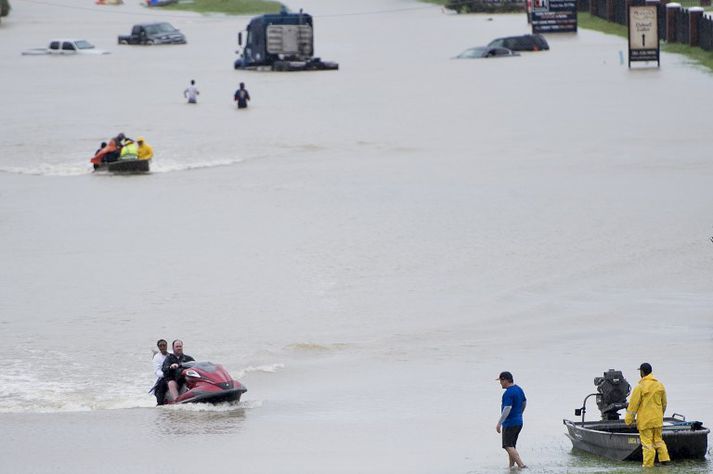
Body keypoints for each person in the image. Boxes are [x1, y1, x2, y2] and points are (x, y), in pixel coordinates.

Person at [625, 363, 670, 468]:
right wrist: (660, 415)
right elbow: (664, 403)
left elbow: (632, 407)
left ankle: (648, 465)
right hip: (657, 420)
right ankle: (664, 460)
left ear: (642, 372)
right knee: (658, 440)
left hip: (645, 421)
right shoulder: (660, 385)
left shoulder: (640, 387)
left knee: (647, 444)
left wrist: (628, 421)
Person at [496, 371, 527, 470]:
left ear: (505, 380)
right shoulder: (519, 389)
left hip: (510, 423)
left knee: (507, 446)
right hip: (519, 422)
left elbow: (507, 408)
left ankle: (521, 465)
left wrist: (499, 423)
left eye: (500, 380)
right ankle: (511, 467)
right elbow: (524, 402)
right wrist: (519, 413)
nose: (500, 383)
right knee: (512, 446)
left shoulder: (508, 393)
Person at [149, 339, 169, 405]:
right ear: (158, 347)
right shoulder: (156, 358)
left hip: (174, 375)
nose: (163, 347)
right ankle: (160, 403)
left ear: (167, 346)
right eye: (160, 346)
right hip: (163, 377)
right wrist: (165, 374)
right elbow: (157, 371)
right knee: (161, 387)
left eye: (164, 345)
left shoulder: (171, 354)